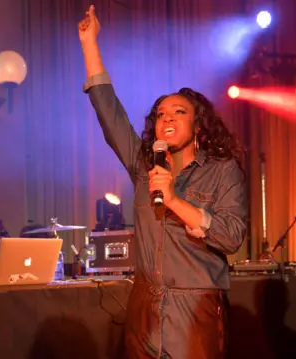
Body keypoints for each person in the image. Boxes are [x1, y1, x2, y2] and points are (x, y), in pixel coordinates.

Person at [78, 5, 247, 358]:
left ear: (198, 126)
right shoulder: (144, 165)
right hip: (144, 302)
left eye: (178, 113)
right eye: (160, 114)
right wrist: (89, 43)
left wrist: (173, 200)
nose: (166, 118)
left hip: (195, 303)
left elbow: (231, 237)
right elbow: (109, 112)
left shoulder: (222, 170)